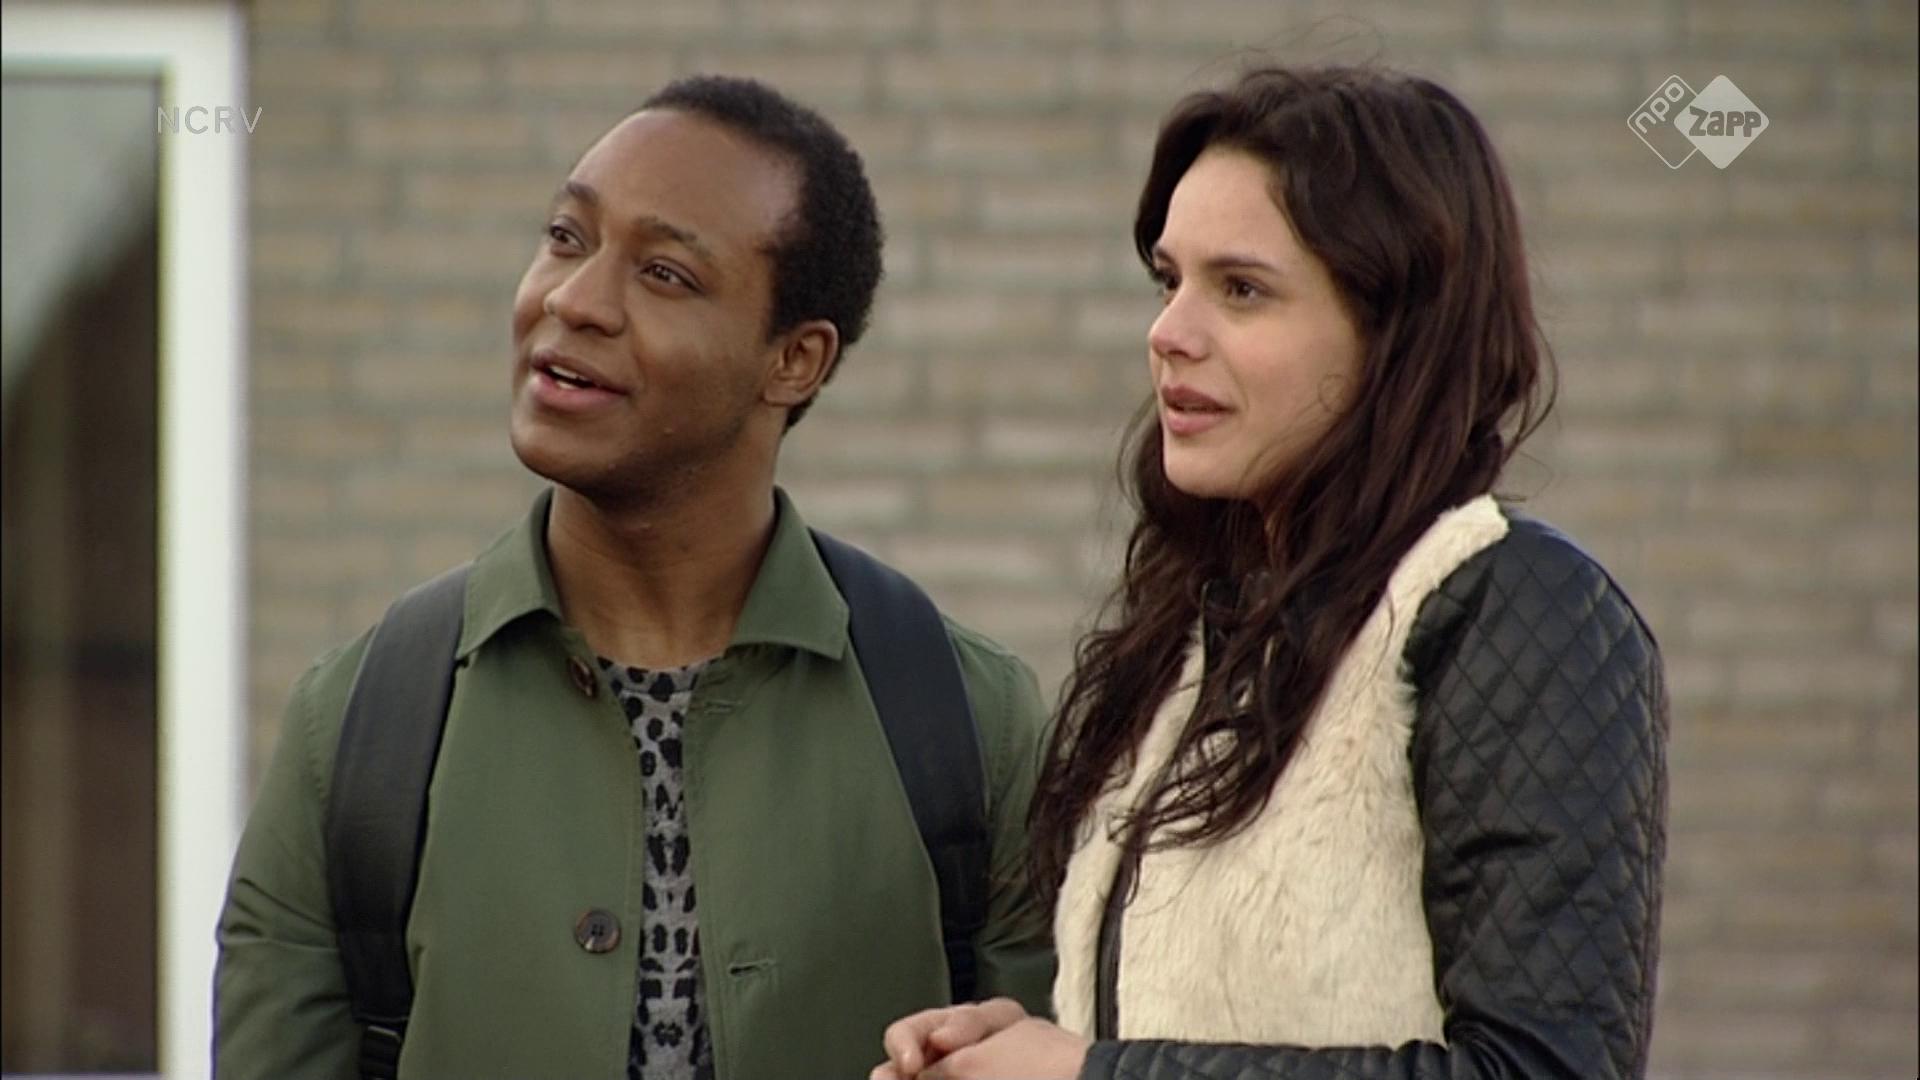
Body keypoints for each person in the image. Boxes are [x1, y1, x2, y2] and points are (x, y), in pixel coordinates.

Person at [216, 74, 1054, 1080]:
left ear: (794, 360)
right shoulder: (360, 725)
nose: (572, 299)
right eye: (566, 237)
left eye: (664, 273)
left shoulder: (970, 724)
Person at [873, 64, 1668, 1080]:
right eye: (1169, 281)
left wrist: (1093, 1074)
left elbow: (1544, 1068)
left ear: (1396, 333)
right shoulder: (1198, 629)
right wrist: (1027, 1043)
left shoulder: (1513, 612)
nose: (1169, 333)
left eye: (1241, 290)